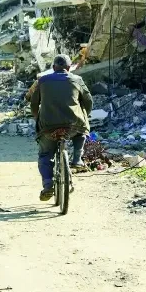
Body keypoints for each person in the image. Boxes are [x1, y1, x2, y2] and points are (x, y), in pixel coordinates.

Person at [29, 54, 92, 201]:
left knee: (45, 155)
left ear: (53, 68)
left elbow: (33, 103)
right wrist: (84, 114)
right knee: (82, 126)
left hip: (48, 127)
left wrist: (37, 118)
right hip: (73, 125)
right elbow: (88, 101)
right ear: (69, 68)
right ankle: (77, 158)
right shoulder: (77, 80)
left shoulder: (42, 81)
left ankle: (47, 184)